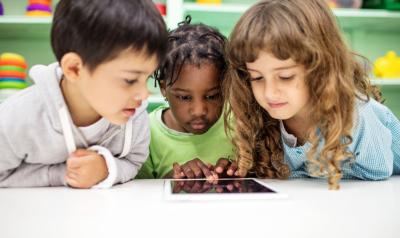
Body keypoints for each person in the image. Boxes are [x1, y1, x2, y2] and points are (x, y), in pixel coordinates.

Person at [223, 0, 400, 189]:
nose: (269, 92)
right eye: (257, 78)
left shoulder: (355, 112)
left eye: (285, 76)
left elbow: (378, 172)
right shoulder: (263, 112)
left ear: (320, 68)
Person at [0, 0, 168, 188]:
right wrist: (61, 174)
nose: (144, 94)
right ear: (74, 69)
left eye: (147, 78)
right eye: (129, 80)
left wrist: (106, 168)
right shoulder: (16, 118)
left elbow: (134, 161)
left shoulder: (135, 114)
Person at [135, 17, 236, 180]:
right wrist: (171, 179)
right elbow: (136, 193)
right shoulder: (146, 132)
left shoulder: (239, 124)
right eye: (184, 97)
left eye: (212, 96)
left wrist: (242, 174)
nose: (199, 110)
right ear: (163, 89)